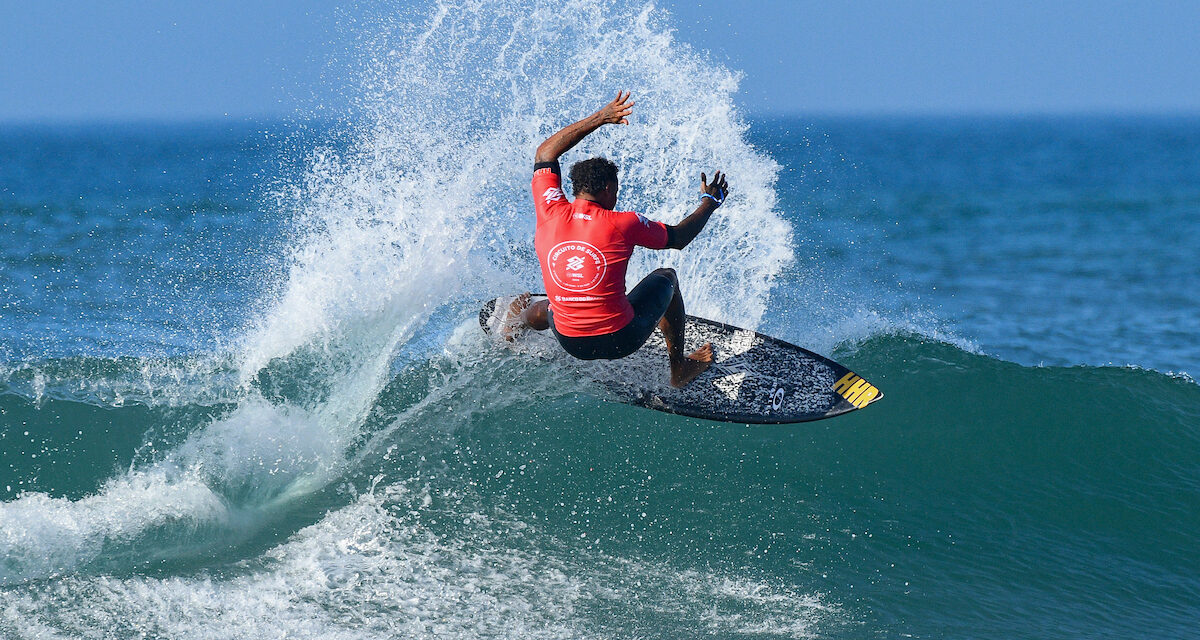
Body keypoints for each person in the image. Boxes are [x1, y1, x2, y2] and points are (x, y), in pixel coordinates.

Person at [505, 91, 728, 388]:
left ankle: (516, 323)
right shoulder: (624, 222)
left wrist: (601, 117)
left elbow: (546, 153)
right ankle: (680, 369)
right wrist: (709, 202)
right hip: (622, 339)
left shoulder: (549, 210)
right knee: (668, 277)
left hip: (570, 341)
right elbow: (679, 237)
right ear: (609, 188)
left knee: (552, 307)